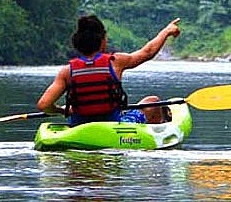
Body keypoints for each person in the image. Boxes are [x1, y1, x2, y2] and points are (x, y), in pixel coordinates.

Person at [37, 15, 181, 125]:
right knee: (153, 101)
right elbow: (147, 52)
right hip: (112, 125)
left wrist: (62, 110)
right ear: (103, 40)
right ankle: (156, 135)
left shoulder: (67, 72)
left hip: (80, 125)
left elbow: (44, 105)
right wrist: (166, 31)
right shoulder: (115, 62)